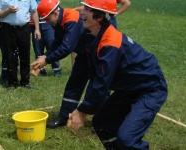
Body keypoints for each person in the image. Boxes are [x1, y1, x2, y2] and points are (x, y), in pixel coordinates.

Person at [68, 0, 168, 149]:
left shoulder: (110, 43)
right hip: (129, 88)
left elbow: (102, 84)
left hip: (149, 89)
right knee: (101, 122)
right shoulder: (98, 39)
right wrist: (84, 109)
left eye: (87, 9)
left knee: (127, 138)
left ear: (99, 17)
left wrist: (82, 110)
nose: (81, 12)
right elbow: (96, 79)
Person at [31, 0, 94, 128]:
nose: (47, 23)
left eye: (47, 19)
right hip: (84, 53)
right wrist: (46, 56)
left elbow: (67, 47)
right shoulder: (59, 21)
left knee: (97, 88)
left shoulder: (71, 18)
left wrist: (47, 60)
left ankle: (102, 121)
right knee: (73, 85)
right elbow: (57, 42)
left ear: (55, 13)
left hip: (97, 54)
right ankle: (64, 117)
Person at [0, 0, 41, 91]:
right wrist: (8, 11)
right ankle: (12, 82)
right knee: (10, 56)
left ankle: (25, 82)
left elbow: (34, 11)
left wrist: (37, 29)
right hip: (8, 29)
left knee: (25, 55)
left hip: (24, 28)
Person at [30, 1, 61, 77]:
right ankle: (40, 70)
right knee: (38, 48)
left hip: (48, 22)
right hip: (36, 24)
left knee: (51, 45)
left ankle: (56, 70)